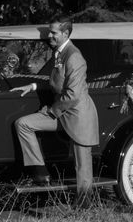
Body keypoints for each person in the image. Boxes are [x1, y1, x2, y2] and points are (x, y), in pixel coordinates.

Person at [10, 16, 99, 205]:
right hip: (60, 112)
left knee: (82, 164)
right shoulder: (58, 53)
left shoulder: (73, 56)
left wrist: (51, 111)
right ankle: (40, 173)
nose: (49, 36)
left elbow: (73, 94)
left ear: (65, 34)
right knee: (23, 124)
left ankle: (84, 206)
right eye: (49, 32)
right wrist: (33, 86)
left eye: (53, 33)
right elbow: (56, 82)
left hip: (77, 115)